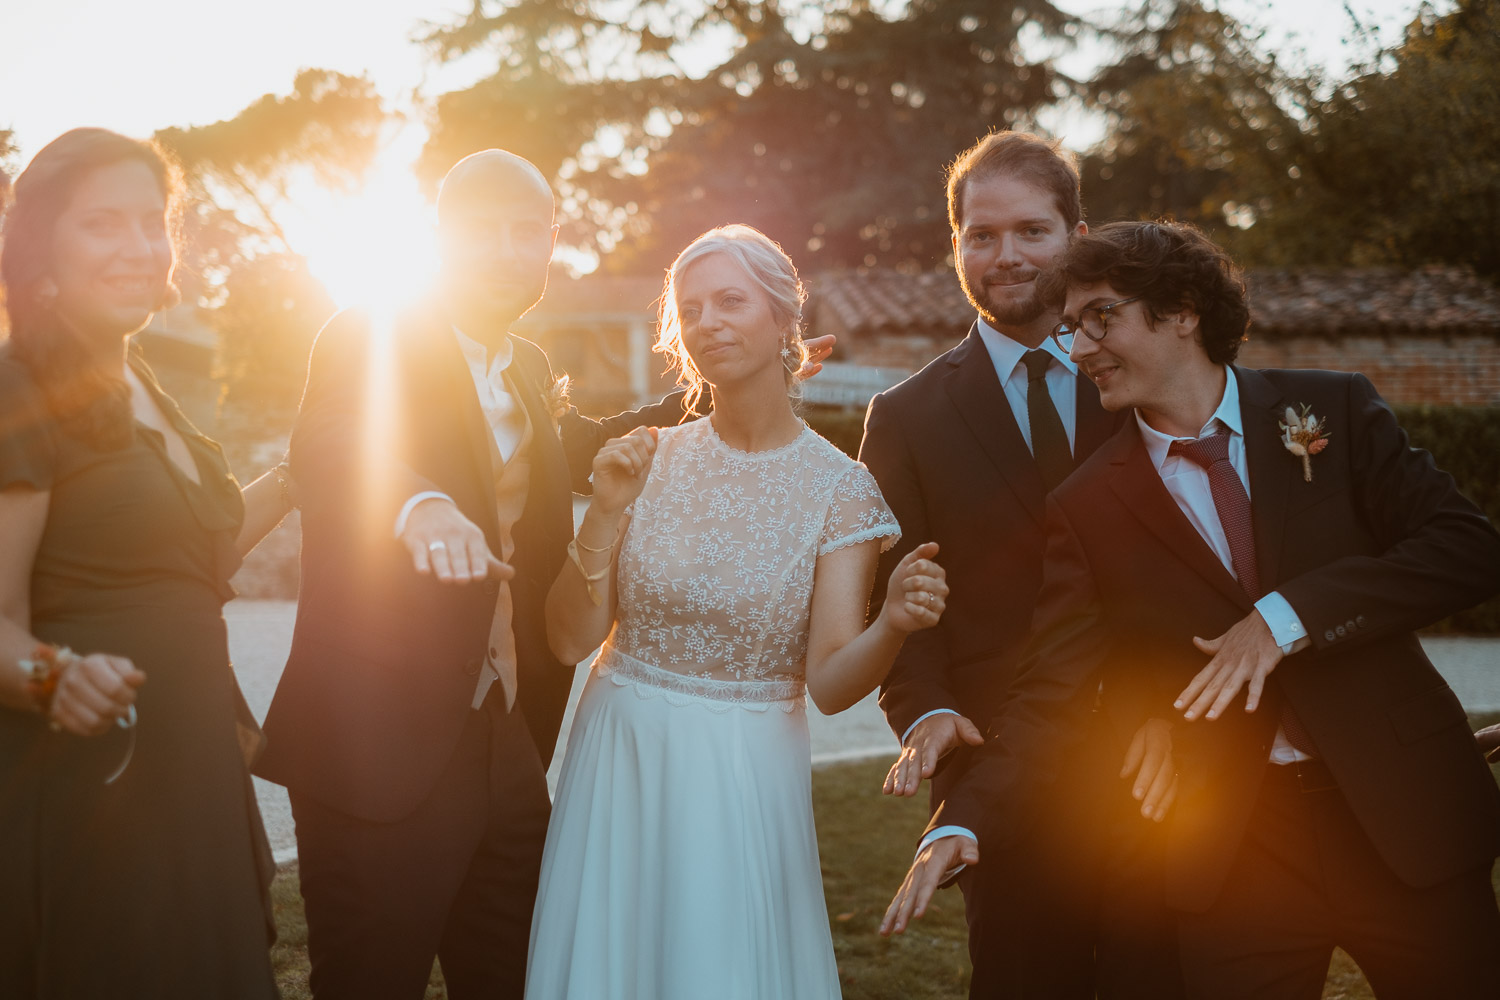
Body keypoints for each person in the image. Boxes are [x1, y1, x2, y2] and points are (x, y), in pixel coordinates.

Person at [253, 154, 832, 1000]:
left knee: (525, 977)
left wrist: (744, 375)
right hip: (373, 745)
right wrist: (420, 504)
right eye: (483, 229)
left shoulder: (521, 366)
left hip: (508, 748)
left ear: (551, 243)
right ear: (438, 239)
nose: (507, 249)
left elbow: (589, 445)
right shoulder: (365, 333)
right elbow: (336, 442)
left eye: (529, 232)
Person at [884, 221, 1500, 999]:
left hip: (1401, 816)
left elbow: (1466, 548)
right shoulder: (1084, 507)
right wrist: (964, 818)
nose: (1079, 348)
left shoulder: (1332, 411)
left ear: (1182, 309)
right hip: (1235, 852)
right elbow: (1052, 695)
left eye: (1100, 317)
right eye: (1071, 328)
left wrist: (1286, 618)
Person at [526, 223, 947, 999]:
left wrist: (891, 623)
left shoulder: (839, 489)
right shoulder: (648, 458)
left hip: (743, 769)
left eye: (730, 300)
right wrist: (603, 515)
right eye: (691, 309)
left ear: (784, 316)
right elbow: (566, 640)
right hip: (620, 751)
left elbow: (827, 682)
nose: (709, 321)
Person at [859, 130, 1179, 997]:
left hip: (1166, 763)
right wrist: (924, 709)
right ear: (956, 243)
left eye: (1033, 231)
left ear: (1077, 233)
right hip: (1002, 774)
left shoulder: (1146, 376)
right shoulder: (905, 416)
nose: (1006, 255)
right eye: (982, 234)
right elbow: (895, 599)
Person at [0, 128, 298, 997]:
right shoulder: (22, 389)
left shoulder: (142, 383)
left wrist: (303, 473)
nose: (138, 246)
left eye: (152, 221)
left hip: (194, 770)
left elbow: (188, 563)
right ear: (40, 247)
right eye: (102, 223)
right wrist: (55, 676)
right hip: (94, 792)